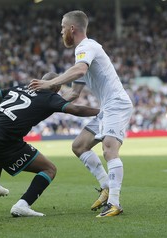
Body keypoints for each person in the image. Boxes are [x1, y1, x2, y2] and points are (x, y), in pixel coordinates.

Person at [29, 10, 133, 217]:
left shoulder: (86, 48)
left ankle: (114, 203)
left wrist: (50, 81)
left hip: (117, 104)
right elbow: (73, 94)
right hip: (108, 107)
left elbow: (78, 71)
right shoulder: (85, 54)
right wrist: (47, 99)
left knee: (109, 149)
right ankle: (106, 186)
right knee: (79, 146)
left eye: (62, 28)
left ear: (72, 28)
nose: (61, 32)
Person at [0, 72, 99, 217]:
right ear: (56, 87)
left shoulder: (21, 88)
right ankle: (22, 205)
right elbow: (76, 109)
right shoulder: (50, 97)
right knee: (49, 169)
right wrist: (102, 112)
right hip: (2, 140)